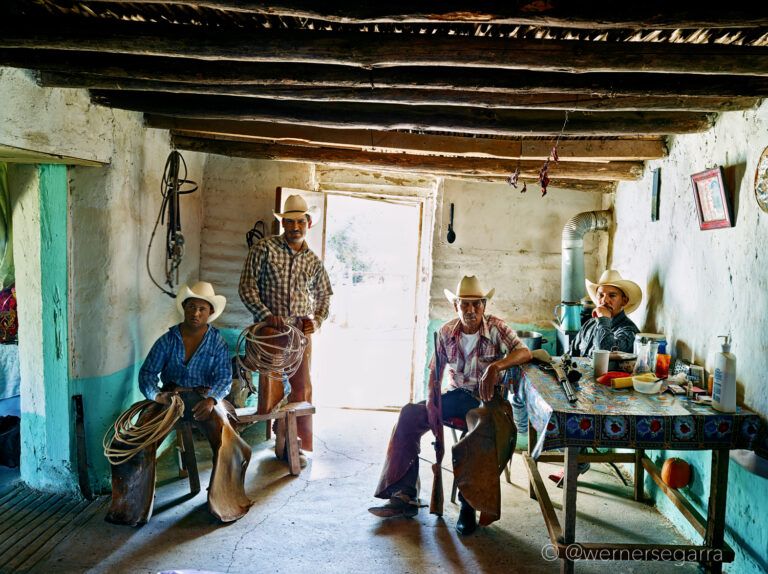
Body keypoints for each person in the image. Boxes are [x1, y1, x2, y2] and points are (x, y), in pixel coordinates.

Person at [368, 275, 532, 535]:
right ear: (455, 306)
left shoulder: (497, 327)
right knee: (410, 414)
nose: (470, 310)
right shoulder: (446, 332)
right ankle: (404, 494)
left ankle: (469, 505)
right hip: (458, 396)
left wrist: (495, 366)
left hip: (489, 400)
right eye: (464, 304)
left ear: (484, 306)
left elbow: (524, 352)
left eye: (476, 304)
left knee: (477, 433)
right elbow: (436, 371)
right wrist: (433, 404)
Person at [106, 281, 252, 526]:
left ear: (209, 313)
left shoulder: (216, 342)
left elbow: (224, 377)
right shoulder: (168, 340)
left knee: (226, 438)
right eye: (191, 307)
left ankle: (223, 500)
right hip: (170, 398)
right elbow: (147, 374)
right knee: (133, 440)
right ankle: (132, 508)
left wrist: (212, 400)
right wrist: (157, 396)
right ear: (184, 308)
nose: (196, 313)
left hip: (203, 398)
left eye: (202, 309)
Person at [238, 194, 333, 455]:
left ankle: (297, 445)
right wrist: (266, 314)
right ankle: (276, 438)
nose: (294, 227)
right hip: (270, 331)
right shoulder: (264, 249)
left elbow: (325, 294)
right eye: (289, 222)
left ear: (308, 223)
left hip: (300, 332)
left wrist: (317, 319)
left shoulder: (313, 261)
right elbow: (247, 287)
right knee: (272, 386)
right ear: (283, 224)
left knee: (302, 386)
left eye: (299, 222)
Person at [569, 269, 642, 357]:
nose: (604, 300)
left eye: (612, 295)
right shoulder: (590, 323)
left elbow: (605, 353)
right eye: (601, 295)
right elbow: (571, 353)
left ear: (624, 301)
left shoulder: (629, 331)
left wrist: (604, 319)